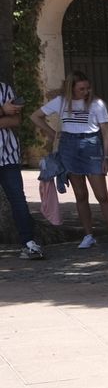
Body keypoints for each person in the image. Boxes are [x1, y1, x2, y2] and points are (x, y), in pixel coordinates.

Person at [31, 71, 108, 251]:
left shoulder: (97, 104)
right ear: (71, 88)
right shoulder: (61, 102)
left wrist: (106, 156)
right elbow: (35, 116)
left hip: (91, 144)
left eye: (88, 88)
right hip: (69, 145)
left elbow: (106, 132)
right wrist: (52, 133)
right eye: (81, 89)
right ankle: (88, 234)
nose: (86, 92)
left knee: (102, 195)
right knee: (80, 194)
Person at [1, 79, 44, 260]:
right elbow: (8, 117)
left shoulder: (4, 89)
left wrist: (8, 115)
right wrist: (3, 111)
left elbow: (16, 120)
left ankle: (28, 243)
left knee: (18, 201)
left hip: (8, 156)